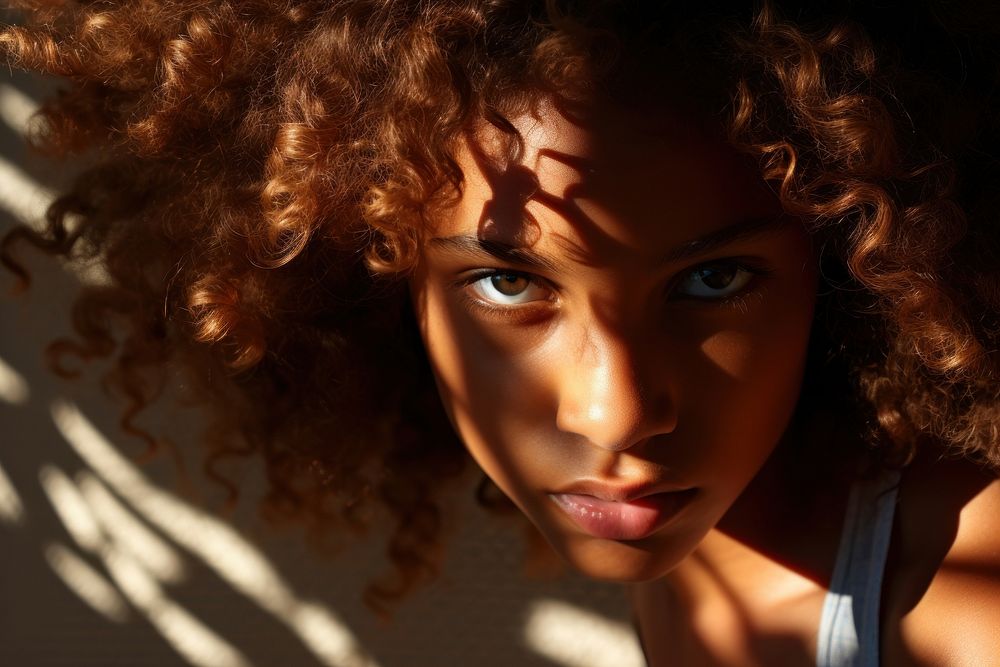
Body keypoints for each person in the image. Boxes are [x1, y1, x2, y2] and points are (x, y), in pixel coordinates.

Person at [3, 1, 999, 664]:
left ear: (855, 260)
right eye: (506, 281)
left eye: (714, 277)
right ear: (383, 274)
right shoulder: (707, 571)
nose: (617, 411)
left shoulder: (958, 605)